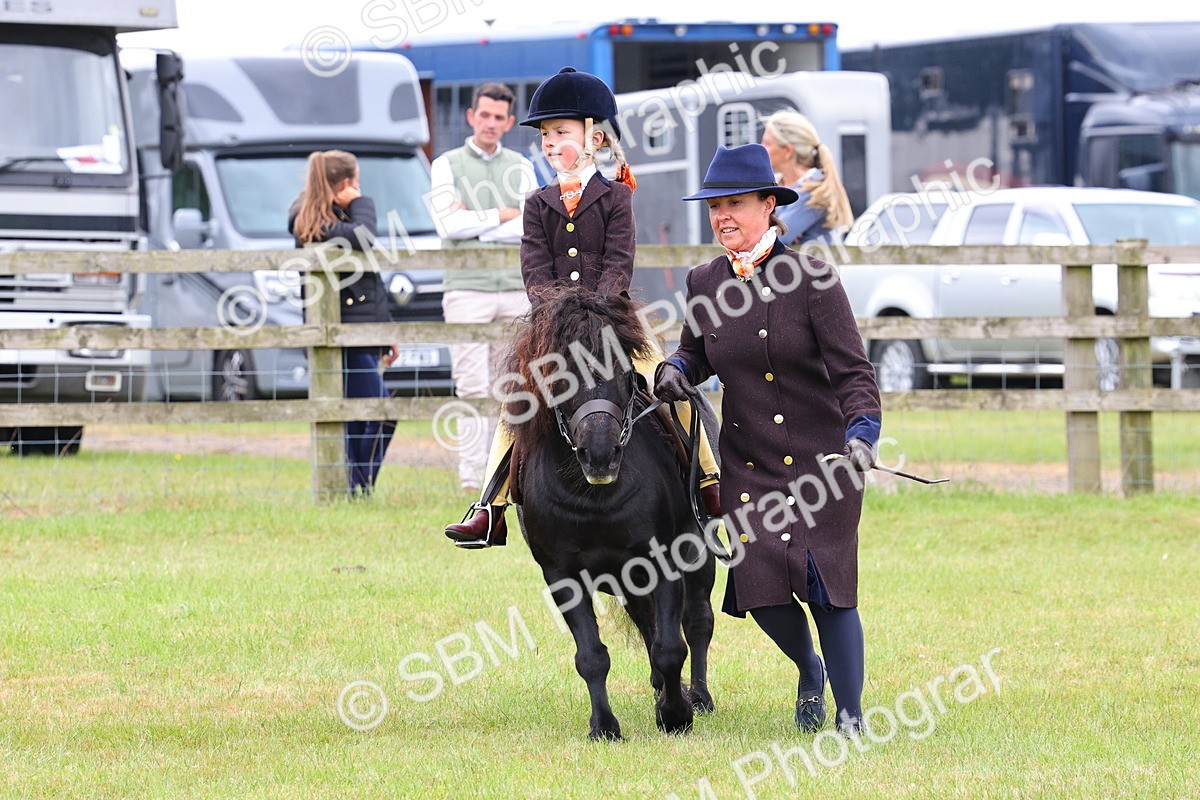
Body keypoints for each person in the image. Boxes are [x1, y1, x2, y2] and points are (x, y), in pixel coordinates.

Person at [653, 143, 882, 736]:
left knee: (826, 587)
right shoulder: (704, 281)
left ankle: (851, 718)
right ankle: (810, 668)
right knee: (761, 588)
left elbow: (854, 372)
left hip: (824, 461)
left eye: (734, 204)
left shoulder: (812, 278)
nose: (722, 216)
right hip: (749, 463)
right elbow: (696, 353)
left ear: (768, 206)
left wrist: (863, 431)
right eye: (715, 207)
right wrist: (675, 369)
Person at [443, 66, 721, 548]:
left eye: (560, 133)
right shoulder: (537, 202)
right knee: (517, 402)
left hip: (615, 322)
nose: (550, 143)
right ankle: (491, 506)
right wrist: (558, 317)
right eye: (545, 135)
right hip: (554, 327)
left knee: (670, 385)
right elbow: (535, 268)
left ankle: (708, 480)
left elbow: (619, 263)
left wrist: (597, 312)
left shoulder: (616, 197)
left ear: (594, 138)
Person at [428, 83, 539, 492]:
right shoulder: (445, 164)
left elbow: (530, 226)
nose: (490, 123)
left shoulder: (522, 166)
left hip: (513, 287)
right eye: (484, 115)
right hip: (466, 288)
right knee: (472, 386)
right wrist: (501, 215)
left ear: (509, 122)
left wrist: (475, 220)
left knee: (510, 385)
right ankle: (472, 478)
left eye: (498, 117)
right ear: (471, 116)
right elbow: (447, 225)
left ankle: (504, 473)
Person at [287, 149, 397, 497]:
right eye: (356, 182)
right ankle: (357, 486)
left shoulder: (337, 217)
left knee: (359, 415)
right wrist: (361, 201)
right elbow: (365, 235)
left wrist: (386, 331)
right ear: (347, 182)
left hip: (364, 329)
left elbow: (370, 280)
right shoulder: (311, 219)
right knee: (380, 411)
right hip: (340, 334)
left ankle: (355, 489)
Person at [760, 110, 854, 246]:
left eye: (767, 144)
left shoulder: (815, 189)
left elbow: (776, 238)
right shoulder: (777, 184)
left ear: (788, 151)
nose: (761, 148)